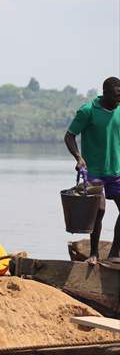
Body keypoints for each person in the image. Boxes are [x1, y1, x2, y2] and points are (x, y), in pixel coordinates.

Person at [64, 76, 120, 265]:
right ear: (105, 94)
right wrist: (79, 158)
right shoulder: (88, 111)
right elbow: (70, 136)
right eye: (115, 96)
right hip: (94, 171)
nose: (118, 100)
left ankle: (114, 252)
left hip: (116, 170)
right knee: (99, 210)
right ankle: (94, 252)